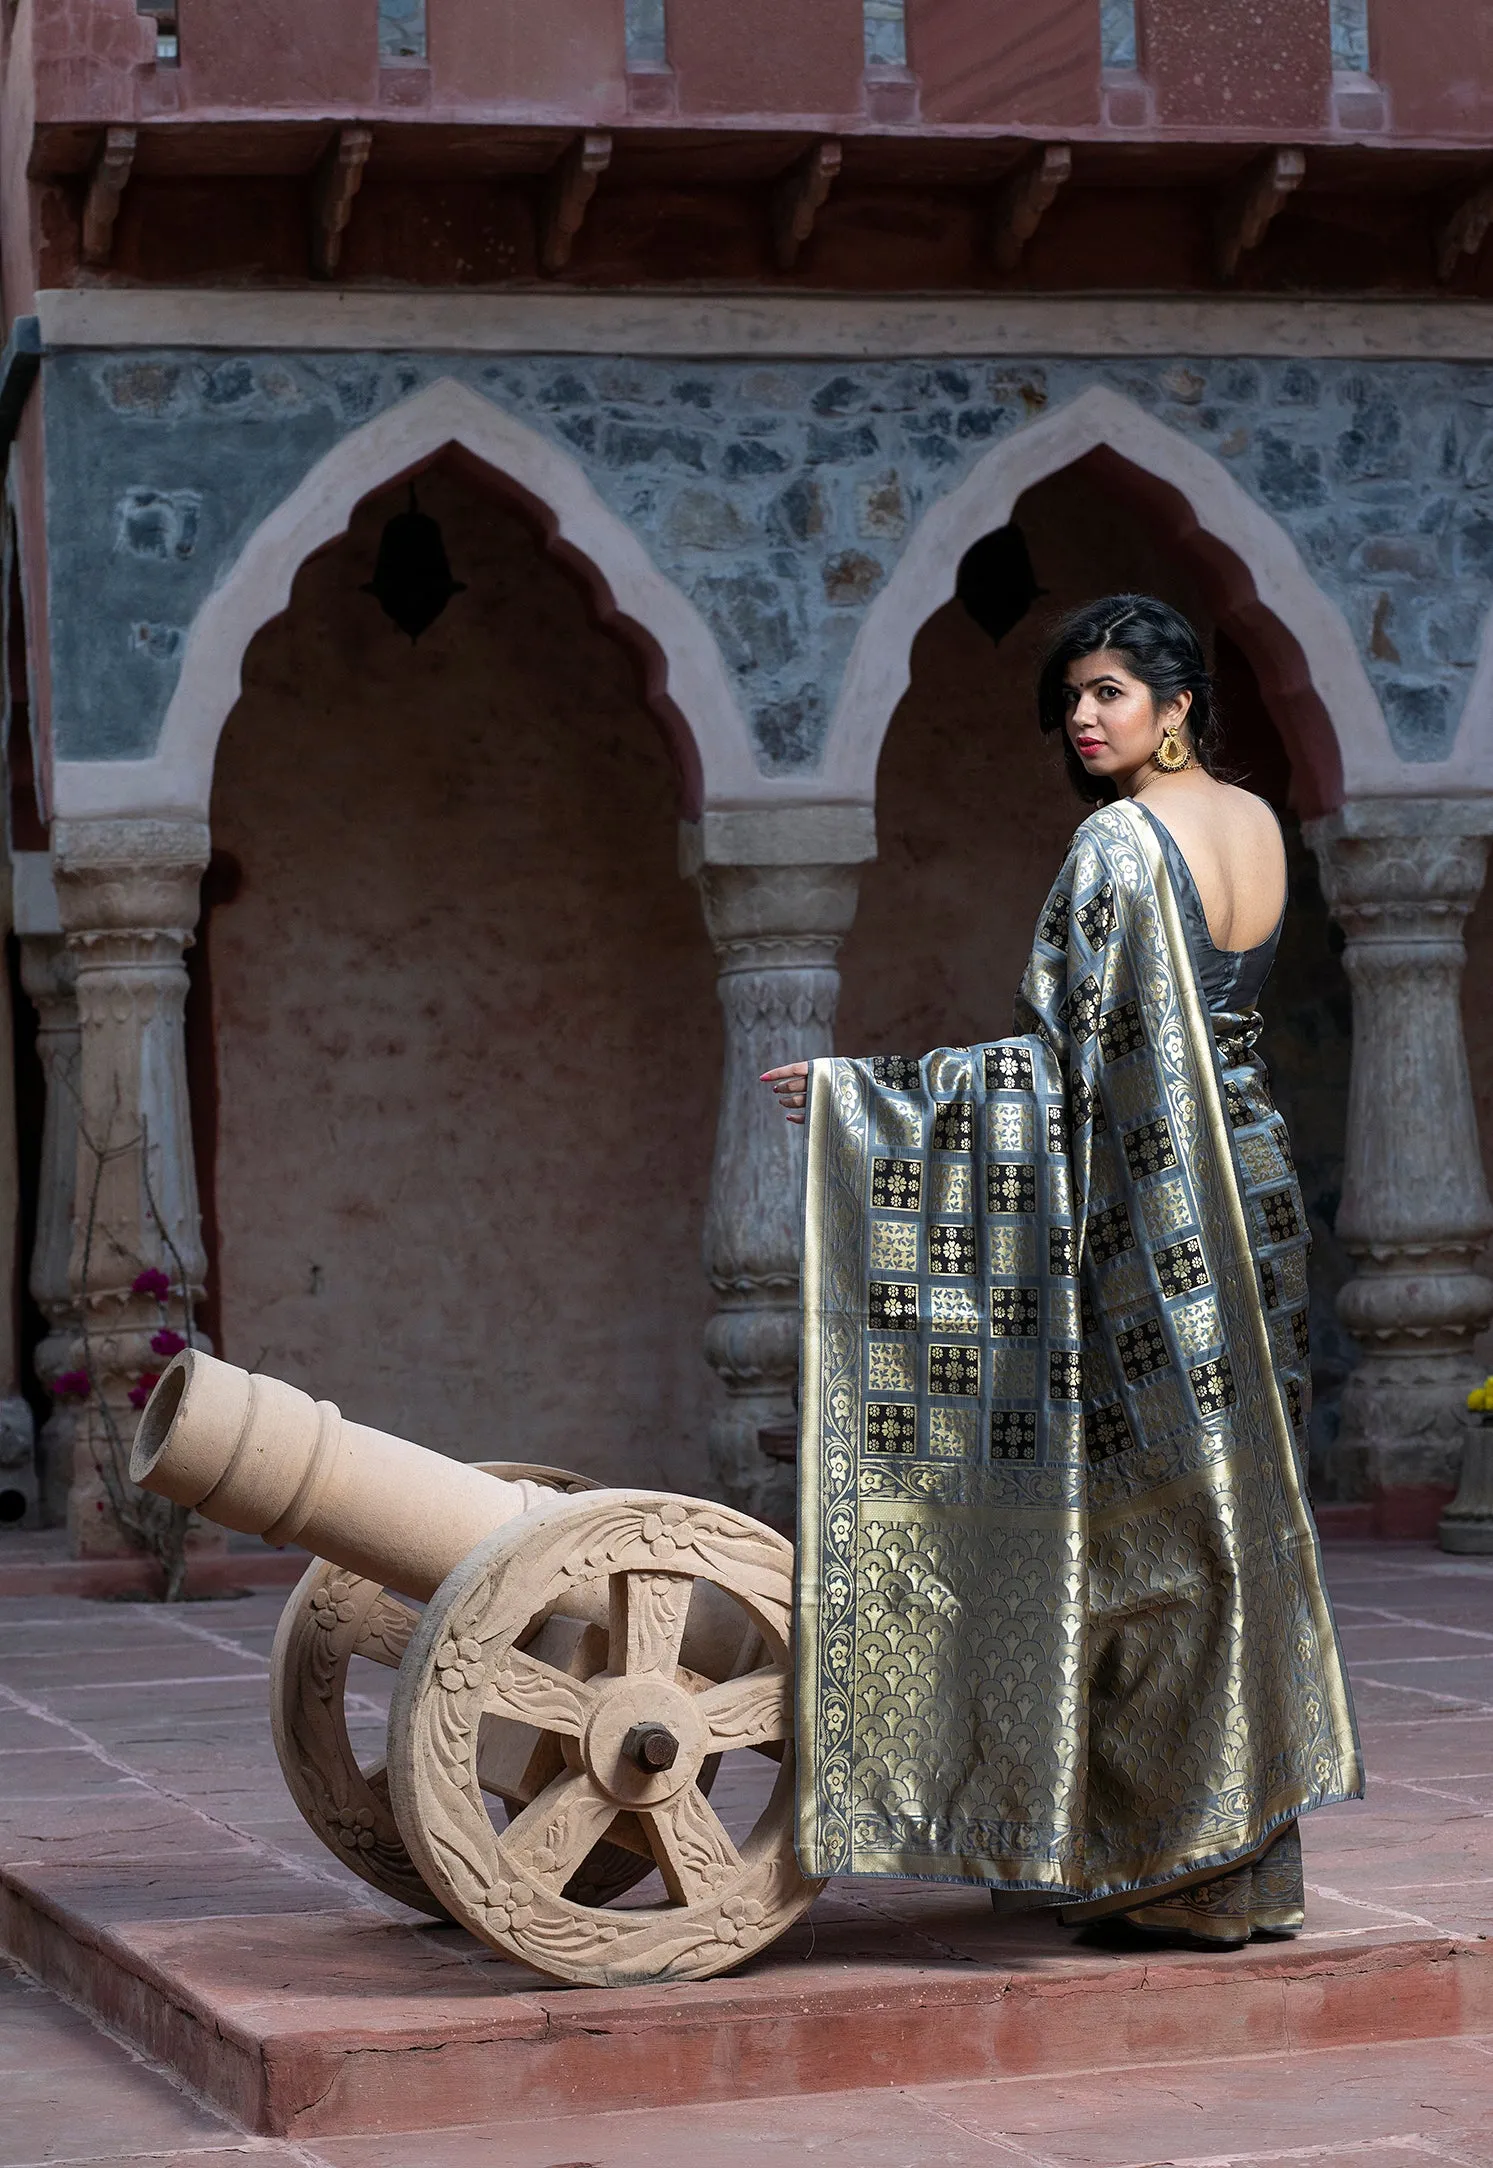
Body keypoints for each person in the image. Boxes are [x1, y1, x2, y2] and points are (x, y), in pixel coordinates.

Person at [763, 594, 1362, 1950]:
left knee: (1149, 1522)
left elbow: (1067, 1070)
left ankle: (1168, 1861)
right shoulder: (1259, 828)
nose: (1087, 721)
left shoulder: (1116, 847)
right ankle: (1246, 1862)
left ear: (1177, 704)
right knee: (1233, 1506)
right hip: (1253, 1192)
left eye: (1108, 694)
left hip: (1153, 1221)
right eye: (1073, 701)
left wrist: (870, 1097)